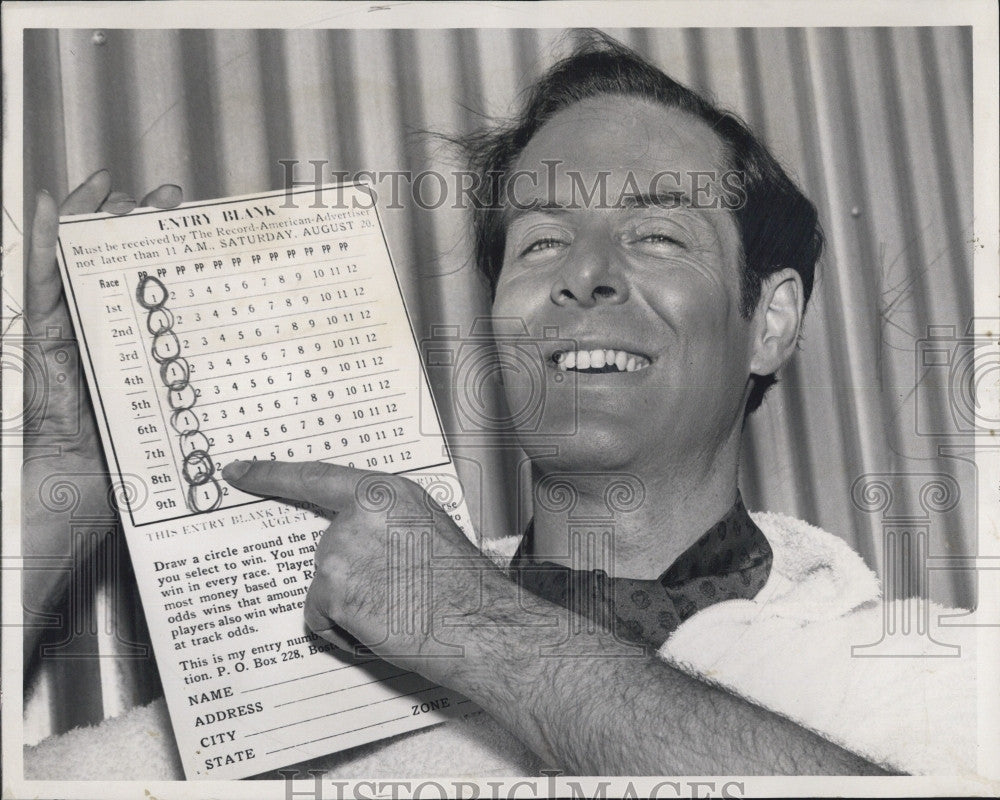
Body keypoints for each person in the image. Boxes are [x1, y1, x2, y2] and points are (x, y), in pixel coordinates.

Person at [23, 33, 975, 778]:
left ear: (771, 320)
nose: (588, 278)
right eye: (541, 242)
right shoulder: (311, 686)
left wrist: (477, 628)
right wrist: (55, 484)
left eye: (655, 234)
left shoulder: (938, 679)